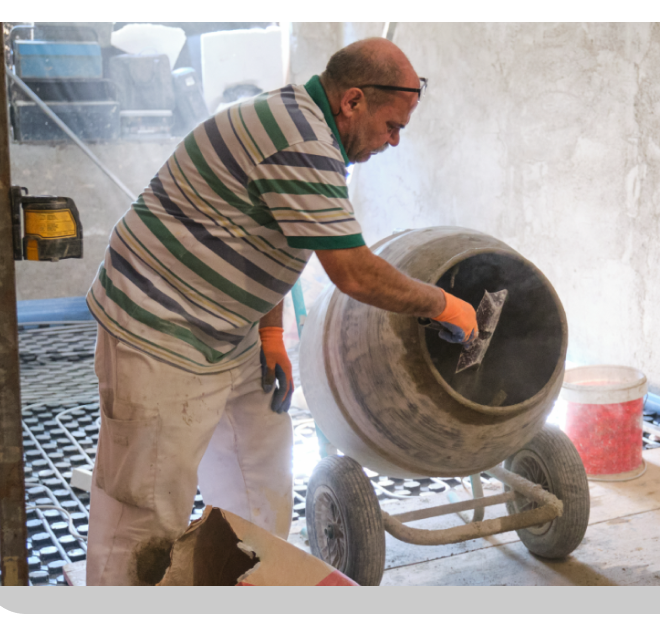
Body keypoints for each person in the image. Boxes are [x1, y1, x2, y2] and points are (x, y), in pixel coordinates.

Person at [83, 37, 476, 585]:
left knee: (259, 471)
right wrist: (444, 304)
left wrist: (270, 332)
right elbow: (354, 272)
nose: (394, 141)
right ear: (353, 101)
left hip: (227, 327)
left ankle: (244, 584)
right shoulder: (302, 142)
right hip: (161, 326)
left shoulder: (306, 124)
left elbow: (268, 235)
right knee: (144, 510)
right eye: (392, 125)